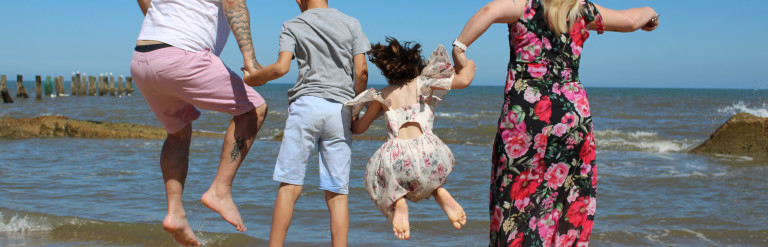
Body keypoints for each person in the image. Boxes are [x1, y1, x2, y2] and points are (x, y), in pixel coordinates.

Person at [451, 0, 659, 245]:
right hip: (572, 116)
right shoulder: (581, 9)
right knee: (567, 195)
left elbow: (489, 11)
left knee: (516, 194)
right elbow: (631, 21)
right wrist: (651, 14)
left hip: (527, 114)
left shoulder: (523, 5)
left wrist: (460, 48)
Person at [130, 0, 268, 245]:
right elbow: (234, 3)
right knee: (254, 109)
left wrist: (162, 22)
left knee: (178, 132)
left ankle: (175, 214)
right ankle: (220, 190)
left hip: (143, 58)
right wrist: (251, 61)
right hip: (184, 55)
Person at [242, 0, 369, 246]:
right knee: (337, 192)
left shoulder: (293, 24)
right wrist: (355, 109)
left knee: (290, 186)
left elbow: (281, 68)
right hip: (340, 110)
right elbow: (362, 71)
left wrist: (253, 79)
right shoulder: (351, 23)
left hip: (307, 106)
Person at [345, 37, 476, 240]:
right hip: (431, 155)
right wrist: (468, 64)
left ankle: (399, 202)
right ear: (416, 66)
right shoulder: (425, 84)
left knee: (380, 176)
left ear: (388, 72)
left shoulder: (382, 95)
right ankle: (438, 191)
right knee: (425, 175)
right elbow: (465, 80)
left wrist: (354, 112)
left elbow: (359, 128)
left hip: (397, 159)